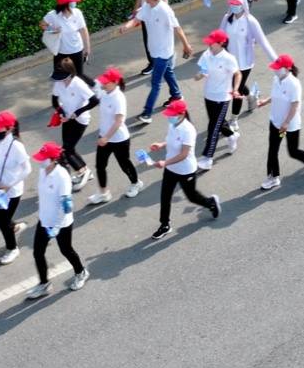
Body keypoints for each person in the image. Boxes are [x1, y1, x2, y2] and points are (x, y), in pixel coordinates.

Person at [147, 99, 218, 237]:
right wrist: (161, 145)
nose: (169, 117)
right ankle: (165, 224)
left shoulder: (189, 130)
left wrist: (165, 163)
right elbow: (171, 140)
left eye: (172, 115)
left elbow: (184, 154)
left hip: (186, 170)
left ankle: (210, 203)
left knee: (192, 197)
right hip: (171, 169)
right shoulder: (172, 125)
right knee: (165, 196)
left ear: (182, 114)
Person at [26, 142, 88, 299]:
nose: (40, 161)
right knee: (38, 252)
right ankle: (44, 284)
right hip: (44, 220)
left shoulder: (62, 176)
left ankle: (81, 272)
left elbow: (66, 206)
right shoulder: (42, 172)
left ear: (53, 159)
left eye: (43, 158)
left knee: (66, 249)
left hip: (61, 223)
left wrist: (56, 226)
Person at [126, 0, 191, 126]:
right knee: (168, 72)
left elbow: (177, 28)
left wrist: (186, 45)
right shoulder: (147, 7)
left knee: (155, 83)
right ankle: (177, 96)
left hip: (164, 51)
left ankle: (147, 113)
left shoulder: (165, 10)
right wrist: (126, 27)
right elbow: (137, 20)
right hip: (154, 50)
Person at [261, 55, 304, 191]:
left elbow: (295, 105)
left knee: (293, 151)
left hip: (288, 125)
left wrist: (286, 123)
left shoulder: (294, 84)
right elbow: (275, 95)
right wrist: (265, 101)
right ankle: (273, 177)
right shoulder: (276, 79)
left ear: (287, 69)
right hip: (275, 122)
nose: (275, 71)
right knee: (273, 149)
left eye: (278, 69)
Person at [0, 109, 30, 264]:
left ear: (9, 128)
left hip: (11, 191)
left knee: (2, 221)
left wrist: (9, 186)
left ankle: (12, 248)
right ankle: (13, 226)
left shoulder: (16, 146)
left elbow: (27, 169)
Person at [220, 0, 274, 129]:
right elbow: (218, 36)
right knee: (238, 85)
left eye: (237, 4)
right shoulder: (227, 18)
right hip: (229, 61)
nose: (234, 6)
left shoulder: (250, 21)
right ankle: (251, 97)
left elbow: (263, 42)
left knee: (236, 89)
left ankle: (234, 119)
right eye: (232, 3)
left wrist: (277, 61)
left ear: (244, 4)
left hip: (244, 63)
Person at [90, 68, 143, 200]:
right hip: (104, 137)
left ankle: (136, 183)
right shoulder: (105, 93)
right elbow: (92, 86)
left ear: (115, 82)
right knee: (100, 166)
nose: (103, 84)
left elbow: (119, 121)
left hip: (119, 139)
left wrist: (106, 138)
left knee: (124, 164)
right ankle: (104, 193)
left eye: (106, 82)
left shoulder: (118, 98)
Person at [193, 29, 242, 169]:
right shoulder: (207, 54)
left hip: (223, 96)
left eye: (212, 43)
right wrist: (199, 75)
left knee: (213, 127)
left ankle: (207, 159)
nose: (209, 45)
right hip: (209, 95)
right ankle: (232, 135)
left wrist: (235, 89)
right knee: (217, 122)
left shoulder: (228, 59)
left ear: (221, 43)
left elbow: (237, 74)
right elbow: (202, 70)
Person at [49, 58, 96, 191]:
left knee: (66, 150)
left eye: (63, 78)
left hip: (81, 120)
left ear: (70, 74)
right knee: (69, 148)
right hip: (67, 118)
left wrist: (78, 112)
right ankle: (85, 170)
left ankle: (83, 172)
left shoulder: (78, 84)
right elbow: (54, 101)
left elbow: (94, 100)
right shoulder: (59, 83)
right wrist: (61, 112)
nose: (60, 81)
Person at [40, 0, 91, 81]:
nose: (74, 2)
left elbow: (83, 30)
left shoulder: (77, 12)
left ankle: (89, 89)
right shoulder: (53, 15)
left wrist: (87, 48)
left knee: (78, 76)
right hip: (61, 53)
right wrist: (51, 30)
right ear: (65, 4)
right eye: (72, 1)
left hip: (77, 50)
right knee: (60, 78)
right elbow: (42, 24)